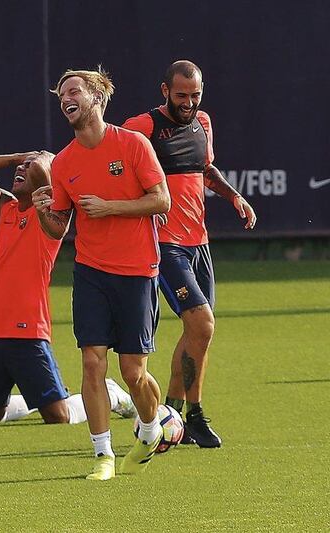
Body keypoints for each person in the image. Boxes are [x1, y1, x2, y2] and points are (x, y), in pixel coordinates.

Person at [29, 67, 171, 481]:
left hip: (138, 270)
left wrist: (111, 208)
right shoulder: (65, 161)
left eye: (74, 92)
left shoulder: (133, 144)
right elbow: (60, 227)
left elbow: (161, 200)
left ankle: (149, 429)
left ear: (97, 98)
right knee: (92, 363)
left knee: (133, 372)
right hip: (91, 272)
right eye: (60, 96)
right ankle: (102, 455)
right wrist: (44, 213)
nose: (65, 100)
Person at [122, 60, 257, 448]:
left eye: (195, 95)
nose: (189, 102)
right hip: (166, 246)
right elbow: (119, 170)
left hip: (199, 243)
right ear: (164, 90)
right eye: (181, 95)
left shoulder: (204, 123)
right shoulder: (141, 127)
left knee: (198, 332)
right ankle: (189, 415)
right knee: (202, 325)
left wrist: (234, 196)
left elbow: (206, 168)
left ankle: (175, 414)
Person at [0, 151, 136, 426]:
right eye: (20, 167)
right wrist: (16, 158)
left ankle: (110, 394)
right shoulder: (6, 207)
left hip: (29, 330)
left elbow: (44, 171)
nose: (21, 169)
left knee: (58, 416)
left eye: (28, 168)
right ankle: (31, 399)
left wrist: (42, 161)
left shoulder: (51, 214)